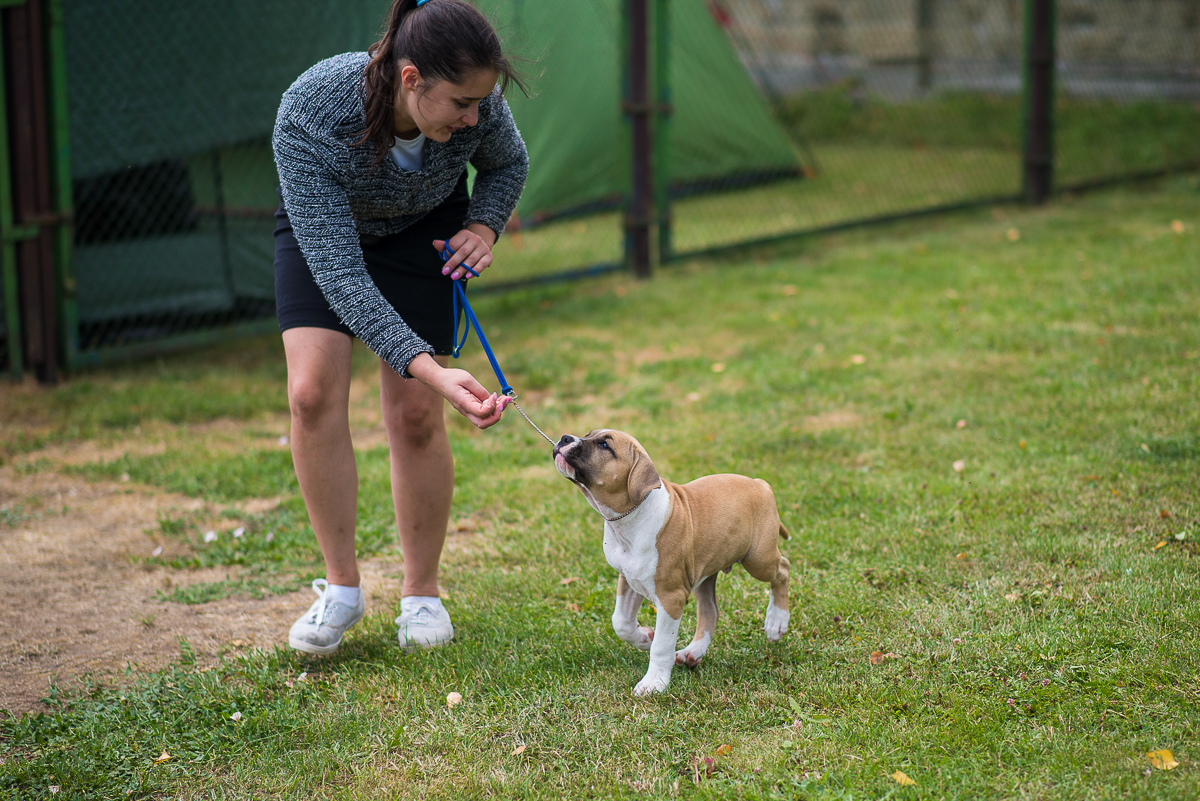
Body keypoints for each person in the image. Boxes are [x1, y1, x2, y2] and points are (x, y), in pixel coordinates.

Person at [271, 0, 527, 655]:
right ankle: (342, 588)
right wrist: (434, 366)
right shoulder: (312, 114)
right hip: (326, 239)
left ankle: (422, 594)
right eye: (461, 104)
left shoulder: (480, 105)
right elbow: (344, 280)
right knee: (310, 393)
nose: (475, 117)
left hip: (422, 227)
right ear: (410, 79)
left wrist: (483, 224)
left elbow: (507, 164)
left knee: (416, 414)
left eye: (482, 103)